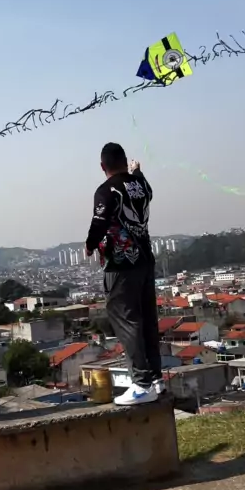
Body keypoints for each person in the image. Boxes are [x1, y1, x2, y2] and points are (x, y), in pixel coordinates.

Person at [85, 142, 163, 405]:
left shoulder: (106, 190)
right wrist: (137, 172)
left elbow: (99, 222)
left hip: (121, 264)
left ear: (102, 166)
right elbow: (141, 185)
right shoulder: (142, 185)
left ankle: (141, 383)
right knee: (147, 319)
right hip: (145, 261)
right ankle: (155, 379)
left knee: (126, 320)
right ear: (125, 161)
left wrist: (90, 244)